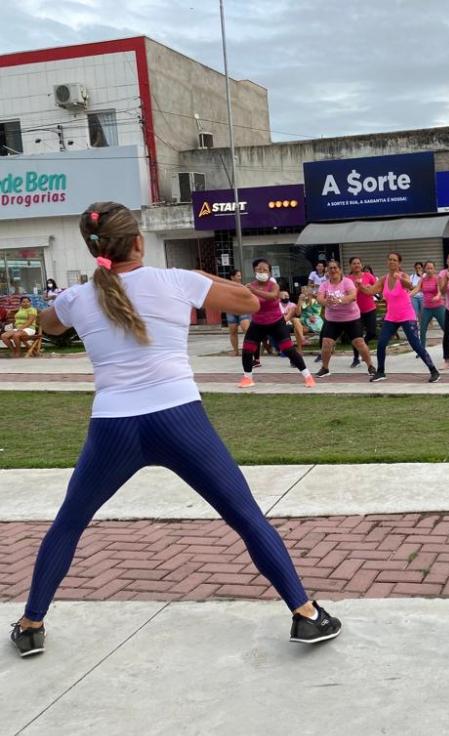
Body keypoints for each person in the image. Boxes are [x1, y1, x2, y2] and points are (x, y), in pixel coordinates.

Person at [9, 202, 341, 658]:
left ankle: (31, 624)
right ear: (139, 241)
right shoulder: (175, 280)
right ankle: (305, 614)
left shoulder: (78, 296)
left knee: (69, 523)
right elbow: (250, 301)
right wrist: (203, 281)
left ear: (94, 250)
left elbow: (49, 325)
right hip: (178, 418)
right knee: (245, 515)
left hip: (113, 427)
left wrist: (72, 299)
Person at [238, 259, 314, 389]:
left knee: (289, 349)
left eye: (265, 269)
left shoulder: (274, 285)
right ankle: (247, 378)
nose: (262, 272)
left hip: (276, 323)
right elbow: (245, 302)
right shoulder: (250, 286)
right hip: (257, 323)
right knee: (247, 350)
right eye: (259, 269)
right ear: (254, 271)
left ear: (269, 272)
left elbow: (272, 296)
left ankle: (308, 377)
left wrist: (253, 291)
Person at [370, 252, 440, 383]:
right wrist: (360, 286)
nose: (391, 262)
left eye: (394, 260)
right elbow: (371, 291)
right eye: (390, 259)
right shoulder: (384, 279)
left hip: (407, 316)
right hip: (391, 317)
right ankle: (380, 372)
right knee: (381, 343)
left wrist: (400, 279)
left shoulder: (403, 276)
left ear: (399, 263)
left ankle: (434, 371)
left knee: (416, 345)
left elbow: (411, 286)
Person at [315, 260, 376, 377]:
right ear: (327, 271)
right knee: (326, 343)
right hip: (333, 320)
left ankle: (370, 366)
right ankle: (325, 368)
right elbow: (319, 298)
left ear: (340, 270)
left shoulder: (347, 282)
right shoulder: (325, 284)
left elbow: (353, 296)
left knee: (359, 342)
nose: (333, 270)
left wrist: (338, 300)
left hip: (351, 318)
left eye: (335, 268)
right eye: (330, 268)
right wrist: (325, 301)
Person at [416, 260, 449, 357]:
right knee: (422, 330)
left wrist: (438, 296)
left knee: (446, 329)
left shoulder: (437, 278)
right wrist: (409, 294)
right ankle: (422, 351)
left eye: (431, 268)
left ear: (434, 269)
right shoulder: (422, 279)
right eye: (428, 268)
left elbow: (440, 291)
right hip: (426, 308)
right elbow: (417, 289)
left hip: (438, 307)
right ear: (425, 269)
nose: (430, 270)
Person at [348, 257, 379, 368]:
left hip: (370, 309)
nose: (356, 265)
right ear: (350, 266)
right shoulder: (348, 279)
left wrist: (370, 287)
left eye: (358, 263)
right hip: (354, 312)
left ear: (361, 265)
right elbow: (347, 294)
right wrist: (356, 288)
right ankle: (356, 358)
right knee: (357, 336)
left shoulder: (368, 276)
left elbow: (377, 288)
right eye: (354, 263)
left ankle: (362, 347)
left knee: (372, 332)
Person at [223, 270, 252, 357]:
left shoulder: (243, 286)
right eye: (238, 276)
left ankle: (250, 350)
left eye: (240, 276)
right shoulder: (226, 286)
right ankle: (236, 351)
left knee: (247, 330)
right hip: (231, 311)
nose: (240, 277)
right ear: (232, 277)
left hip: (242, 310)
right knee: (233, 332)